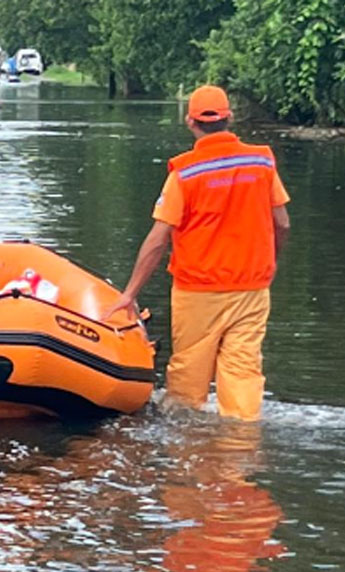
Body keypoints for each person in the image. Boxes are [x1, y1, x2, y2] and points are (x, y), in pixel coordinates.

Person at [103, 85, 291, 421]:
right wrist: (271, 262)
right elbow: (283, 223)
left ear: (190, 122)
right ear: (229, 118)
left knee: (188, 385)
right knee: (244, 375)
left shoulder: (185, 173)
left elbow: (159, 239)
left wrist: (130, 293)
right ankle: (240, 451)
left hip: (198, 291)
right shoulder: (262, 161)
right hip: (252, 288)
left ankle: (191, 459)